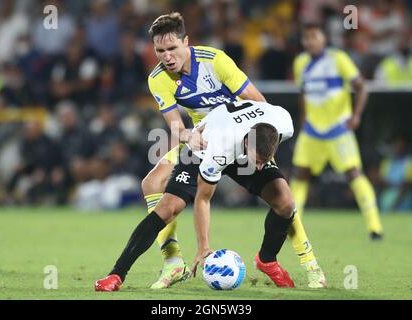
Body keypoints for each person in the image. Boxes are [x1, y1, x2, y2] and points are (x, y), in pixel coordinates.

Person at [137, 12, 324, 289]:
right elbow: (175, 125)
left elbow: (258, 101)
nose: (166, 56)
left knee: (284, 199)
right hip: (204, 140)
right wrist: (188, 136)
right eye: (160, 50)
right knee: (152, 182)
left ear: (186, 42)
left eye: (171, 48)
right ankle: (173, 261)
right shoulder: (159, 78)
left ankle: (310, 264)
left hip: (239, 137)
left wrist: (262, 143)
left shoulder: (216, 61)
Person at [95, 100, 326, 291]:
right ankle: (116, 275)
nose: (258, 167)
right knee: (168, 208)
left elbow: (259, 151)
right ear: (247, 142)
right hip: (203, 148)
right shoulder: (217, 145)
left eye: (263, 162)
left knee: (285, 202)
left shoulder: (283, 122)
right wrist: (204, 247)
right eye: (257, 160)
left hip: (240, 146)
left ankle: (267, 260)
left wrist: (259, 161)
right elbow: (203, 199)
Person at [291, 23, 384, 240]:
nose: (309, 41)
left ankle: (375, 227)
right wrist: (304, 121)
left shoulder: (338, 58)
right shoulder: (300, 62)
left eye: (314, 36)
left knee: (353, 173)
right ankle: (293, 227)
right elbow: (302, 94)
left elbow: (362, 87)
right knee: (300, 174)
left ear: (324, 39)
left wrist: (356, 115)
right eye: (306, 38)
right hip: (312, 130)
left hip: (338, 130)